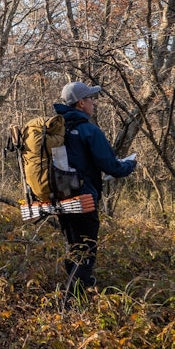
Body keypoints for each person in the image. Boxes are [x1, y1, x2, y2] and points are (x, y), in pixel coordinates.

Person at [54, 81, 137, 300]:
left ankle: (82, 292)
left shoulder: (57, 129)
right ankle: (70, 304)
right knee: (86, 253)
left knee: (74, 248)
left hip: (61, 198)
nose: (93, 103)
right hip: (83, 200)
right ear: (81, 103)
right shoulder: (88, 130)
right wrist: (129, 165)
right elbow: (111, 167)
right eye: (90, 99)